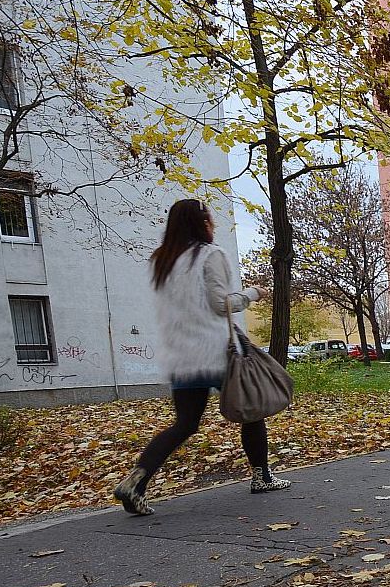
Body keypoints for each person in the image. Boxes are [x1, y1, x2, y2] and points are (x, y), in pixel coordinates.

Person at [114, 199, 291, 515]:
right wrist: (253, 293)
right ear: (203, 223)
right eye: (210, 218)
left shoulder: (163, 262)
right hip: (216, 352)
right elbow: (221, 304)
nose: (214, 224)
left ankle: (135, 482)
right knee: (252, 412)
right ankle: (262, 476)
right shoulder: (210, 255)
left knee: (184, 424)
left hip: (180, 355)